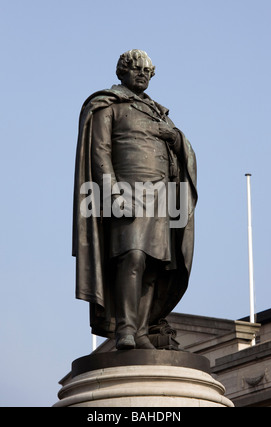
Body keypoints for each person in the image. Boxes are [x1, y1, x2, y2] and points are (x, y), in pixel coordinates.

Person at [72, 50, 197, 350]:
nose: (142, 74)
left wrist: (177, 139)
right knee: (133, 256)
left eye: (147, 70)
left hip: (162, 194)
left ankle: (141, 330)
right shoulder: (107, 104)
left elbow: (184, 151)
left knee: (156, 264)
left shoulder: (159, 113)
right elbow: (99, 152)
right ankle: (125, 329)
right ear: (122, 72)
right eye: (135, 68)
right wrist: (112, 192)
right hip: (127, 191)